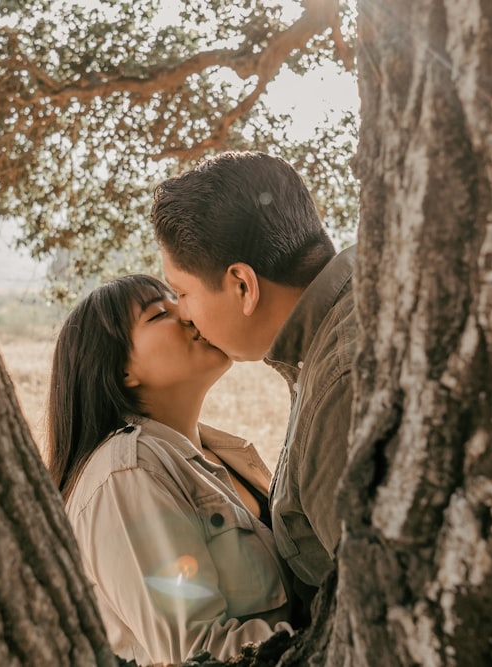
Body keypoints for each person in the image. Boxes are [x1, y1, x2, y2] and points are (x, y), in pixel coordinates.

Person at [43, 274, 293, 666]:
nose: (190, 314)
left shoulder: (223, 453)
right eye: (160, 314)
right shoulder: (126, 474)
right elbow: (192, 653)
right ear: (123, 370)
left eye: (184, 301)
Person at [151, 151, 357, 607]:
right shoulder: (343, 327)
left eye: (182, 292)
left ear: (242, 285)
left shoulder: (343, 385)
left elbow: (378, 613)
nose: (181, 312)